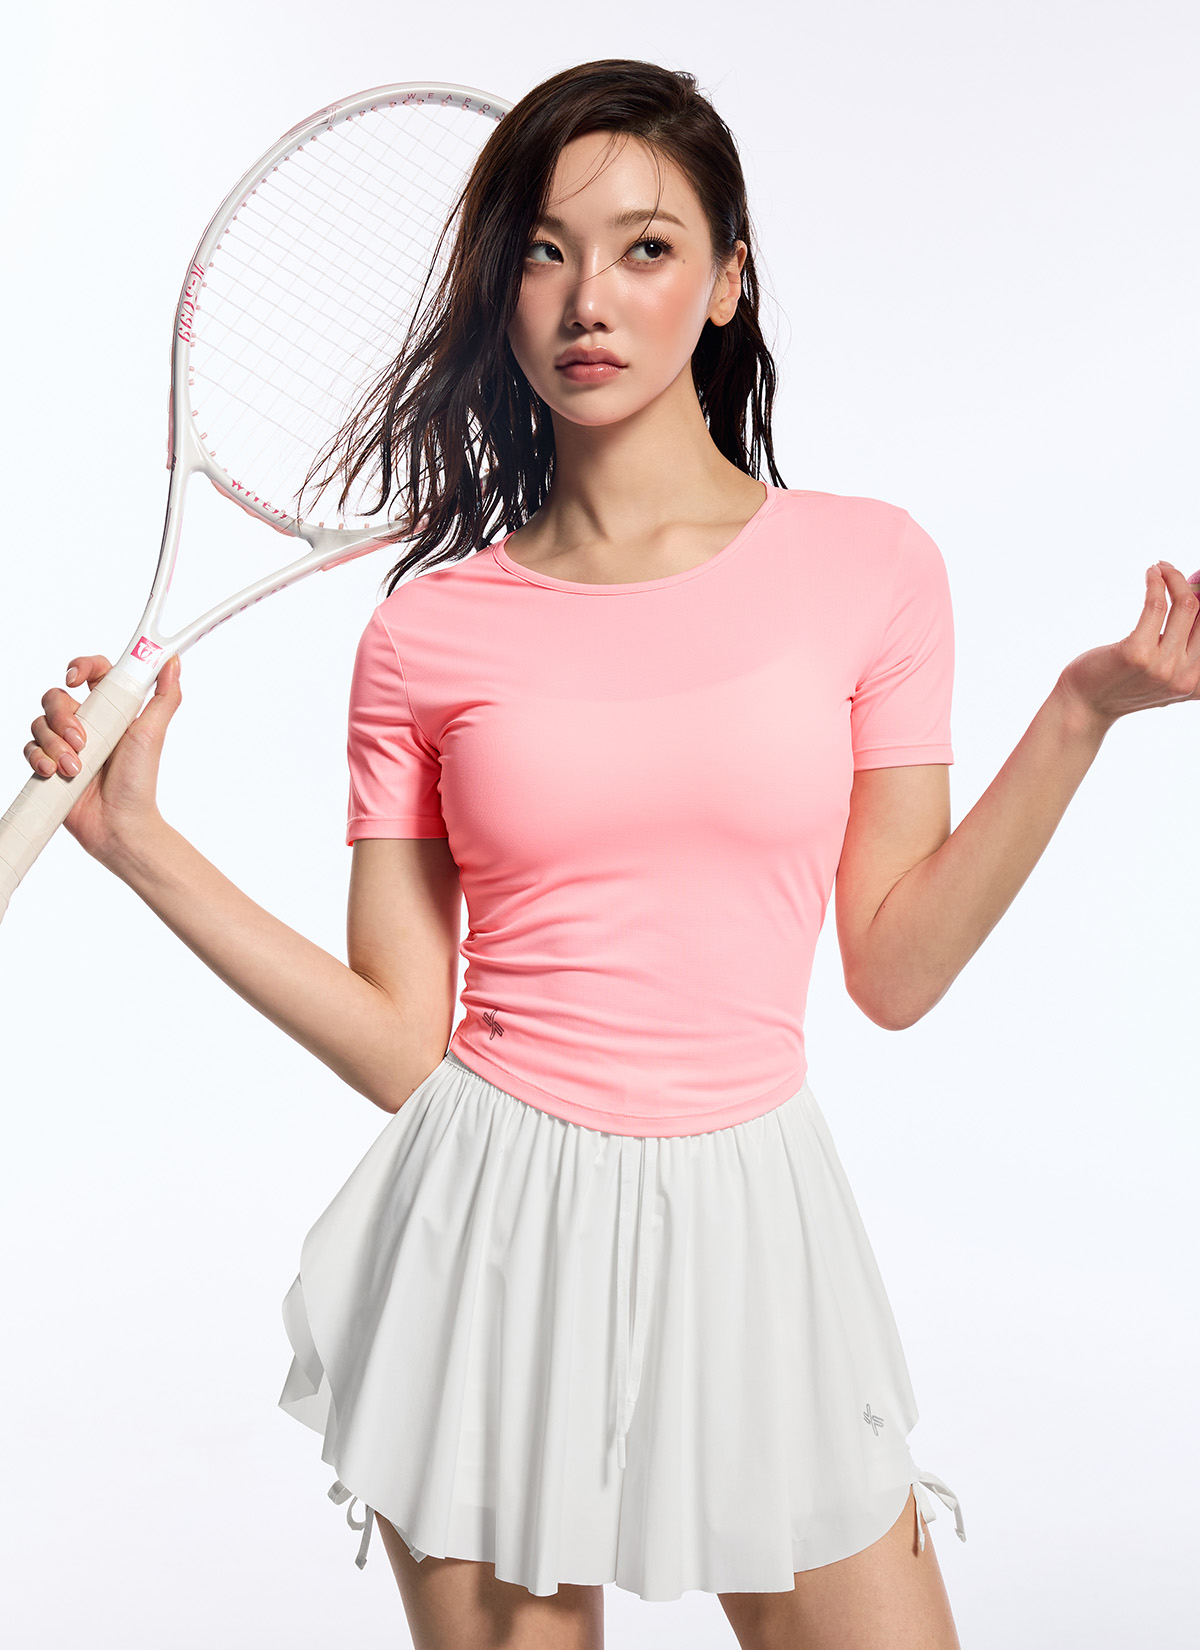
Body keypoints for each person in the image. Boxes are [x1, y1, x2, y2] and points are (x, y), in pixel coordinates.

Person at [21, 57, 1200, 1650]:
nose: (589, 298)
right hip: (491, 1236)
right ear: (498, 291)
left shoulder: (870, 567)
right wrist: (141, 843)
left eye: (646, 247)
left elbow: (895, 967)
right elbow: (402, 1041)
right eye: (543, 250)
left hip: (756, 1221)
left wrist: (1082, 711)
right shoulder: (427, 637)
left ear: (727, 281)